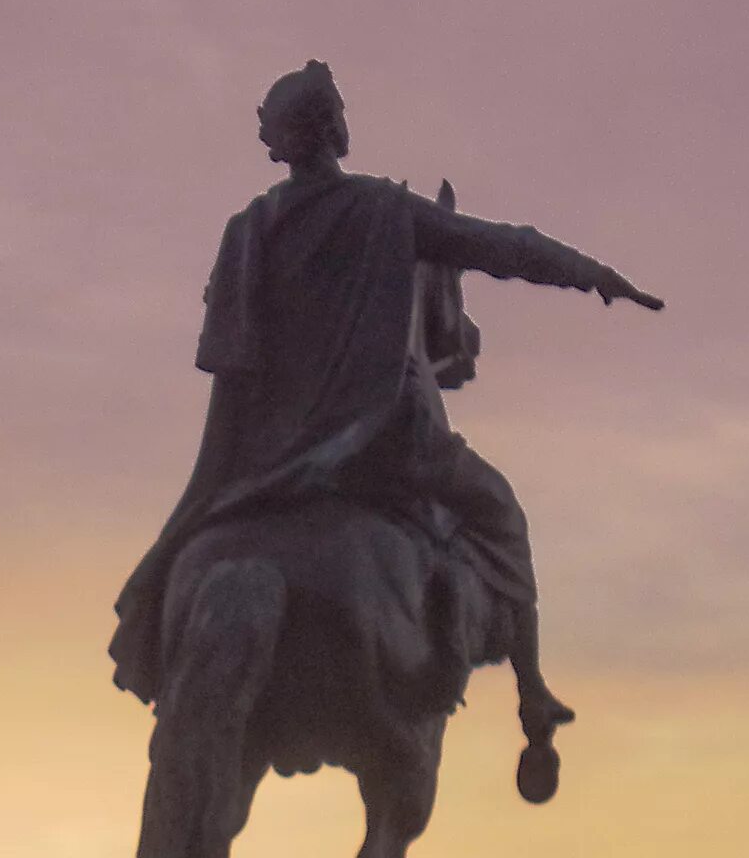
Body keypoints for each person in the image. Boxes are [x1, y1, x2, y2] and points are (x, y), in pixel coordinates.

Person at [107, 60, 662, 801]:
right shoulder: (385, 211)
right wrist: (594, 274)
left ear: (279, 144)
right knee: (501, 513)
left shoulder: (248, 231)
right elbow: (503, 246)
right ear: (337, 129)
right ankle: (533, 696)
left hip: (268, 463)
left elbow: (231, 338)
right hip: (388, 449)